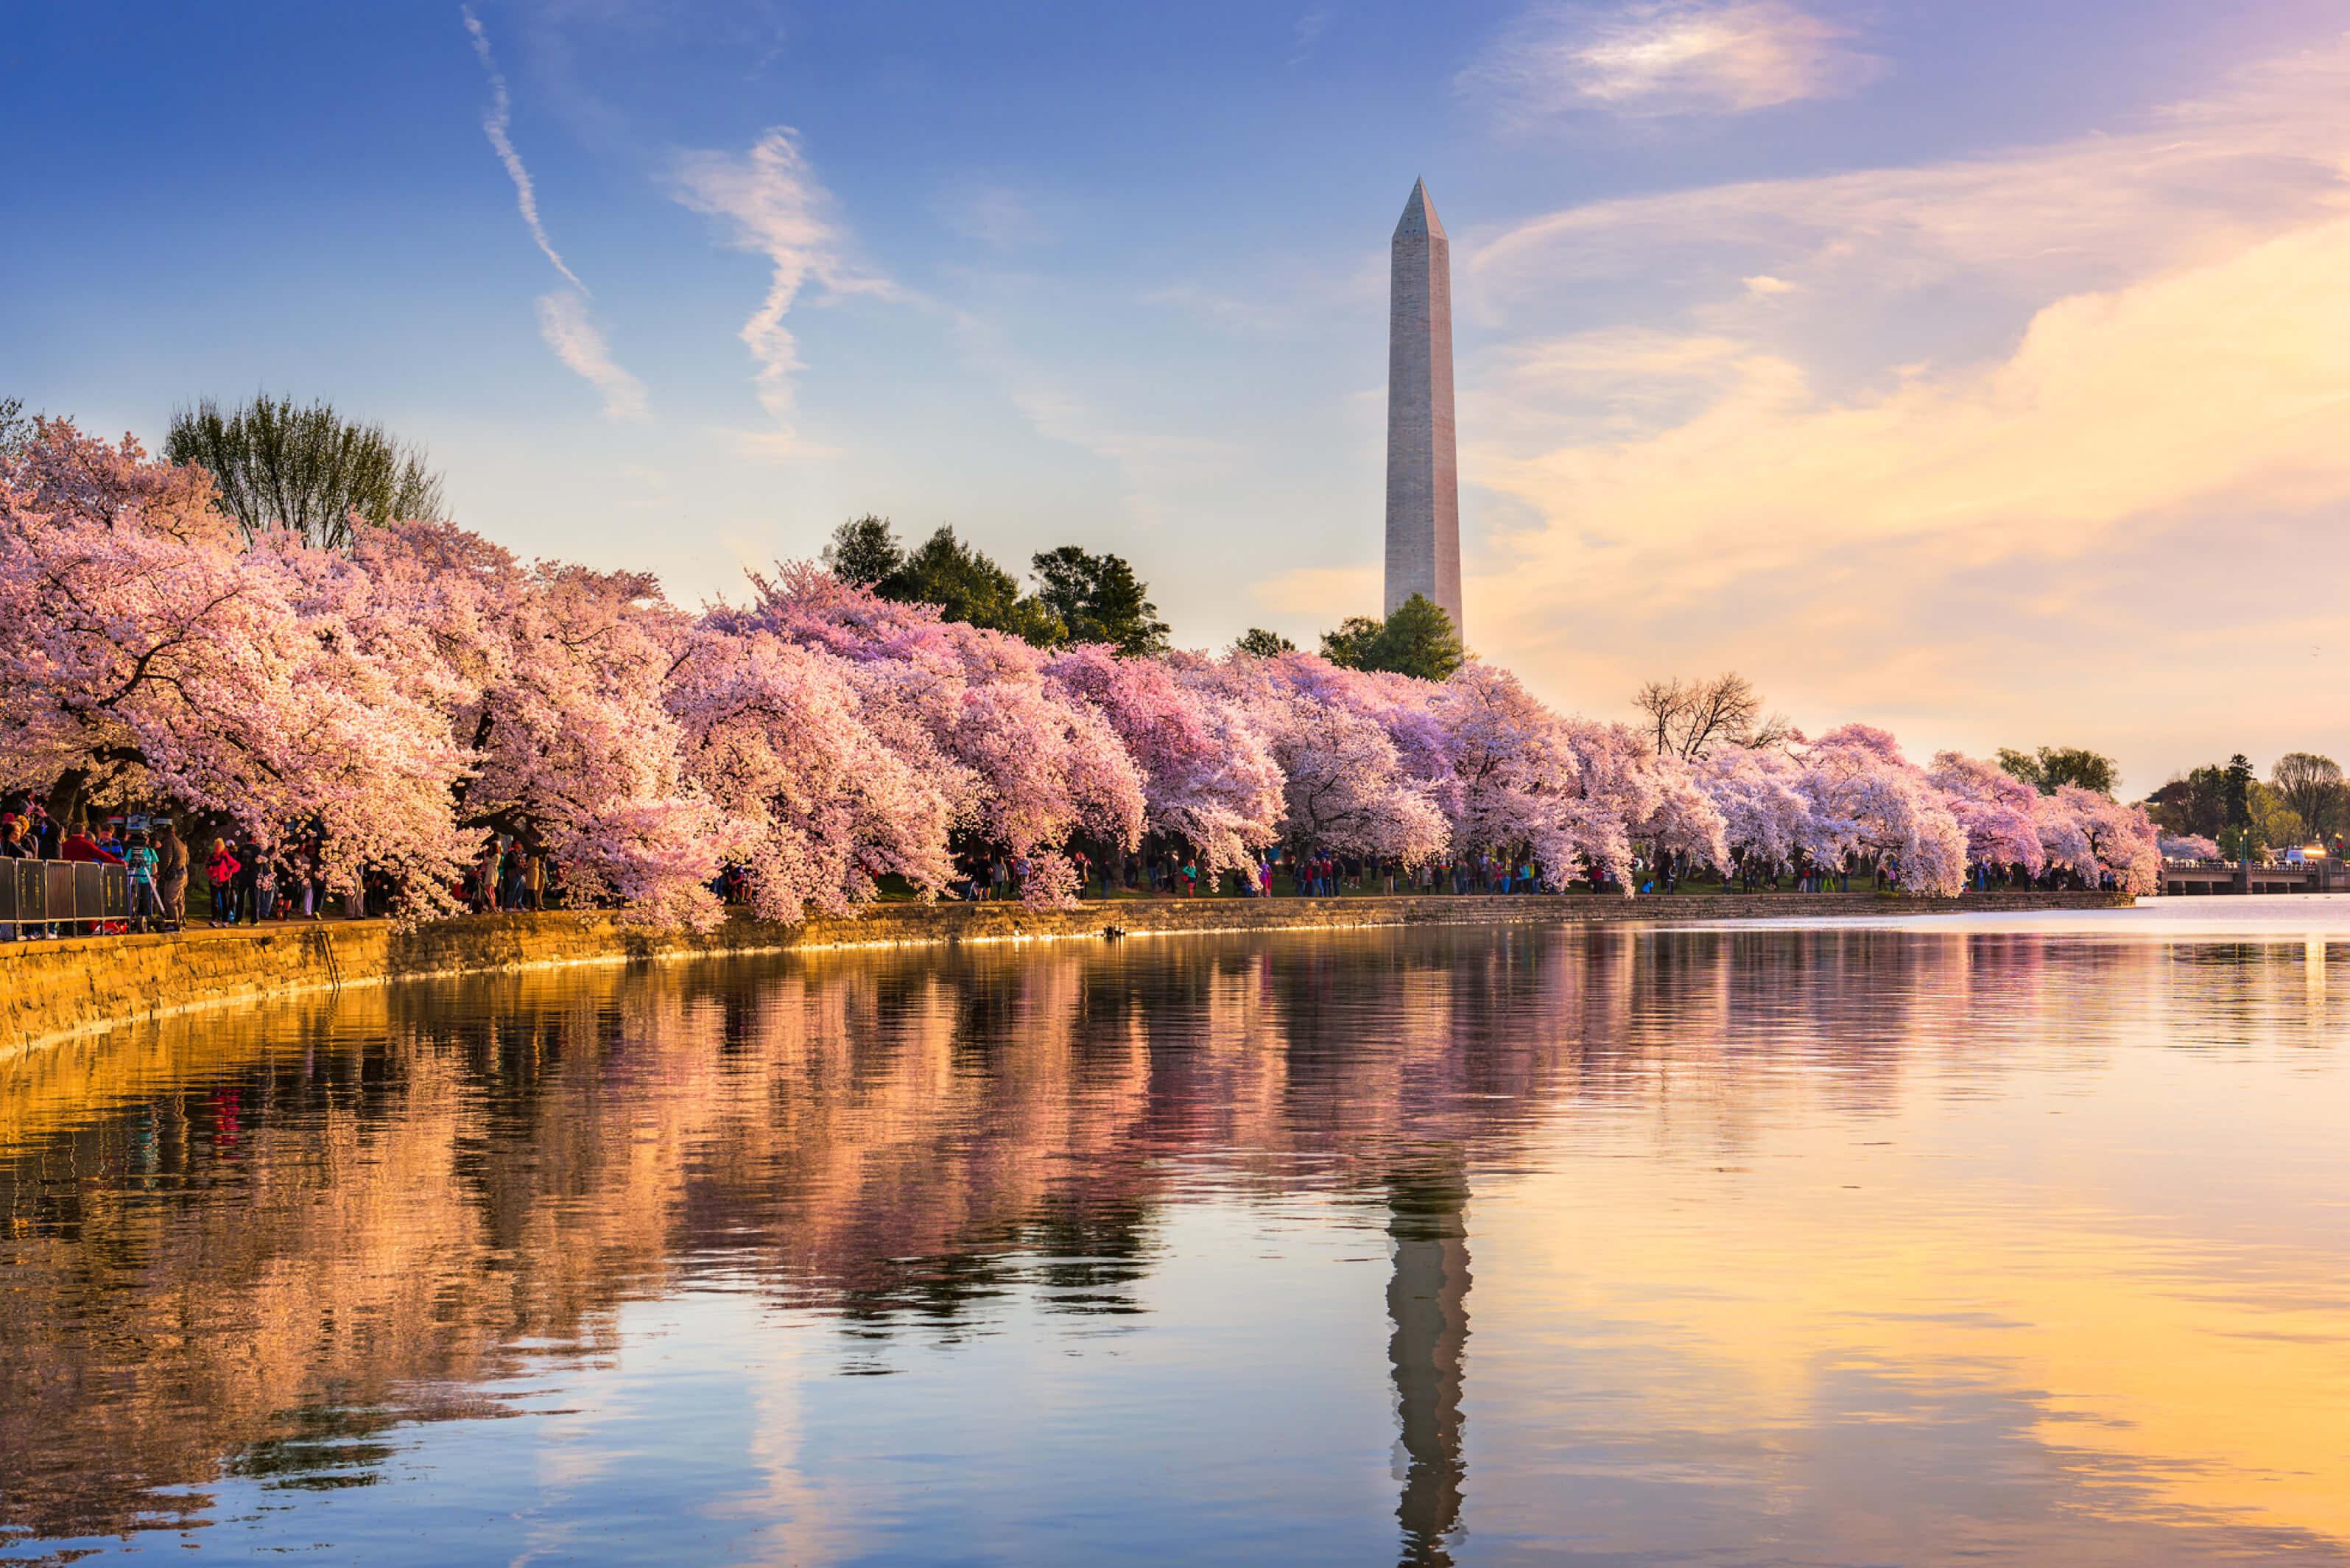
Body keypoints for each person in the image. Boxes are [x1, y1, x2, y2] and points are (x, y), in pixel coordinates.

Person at [124, 830, 158, 929]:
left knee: (147, 901)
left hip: (147, 880)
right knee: (133, 900)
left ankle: (148, 920)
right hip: (135, 879)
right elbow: (126, 862)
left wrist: (154, 877)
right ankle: (131, 919)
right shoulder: (131, 851)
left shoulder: (151, 851)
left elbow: (154, 864)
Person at [156, 823, 188, 931]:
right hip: (182, 873)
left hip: (174, 875)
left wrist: (160, 873)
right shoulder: (180, 842)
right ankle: (181, 922)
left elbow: (166, 860)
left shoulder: (168, 842)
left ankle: (175, 924)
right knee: (179, 900)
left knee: (170, 900)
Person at [205, 838, 239, 926]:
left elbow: (237, 865)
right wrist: (213, 877)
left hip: (225, 880)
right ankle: (214, 920)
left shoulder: (226, 856)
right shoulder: (211, 858)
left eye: (219, 847)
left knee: (226, 901)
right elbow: (207, 869)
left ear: (223, 848)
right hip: (214, 881)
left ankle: (225, 921)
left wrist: (230, 871)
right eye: (216, 846)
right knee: (214, 901)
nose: (217, 848)